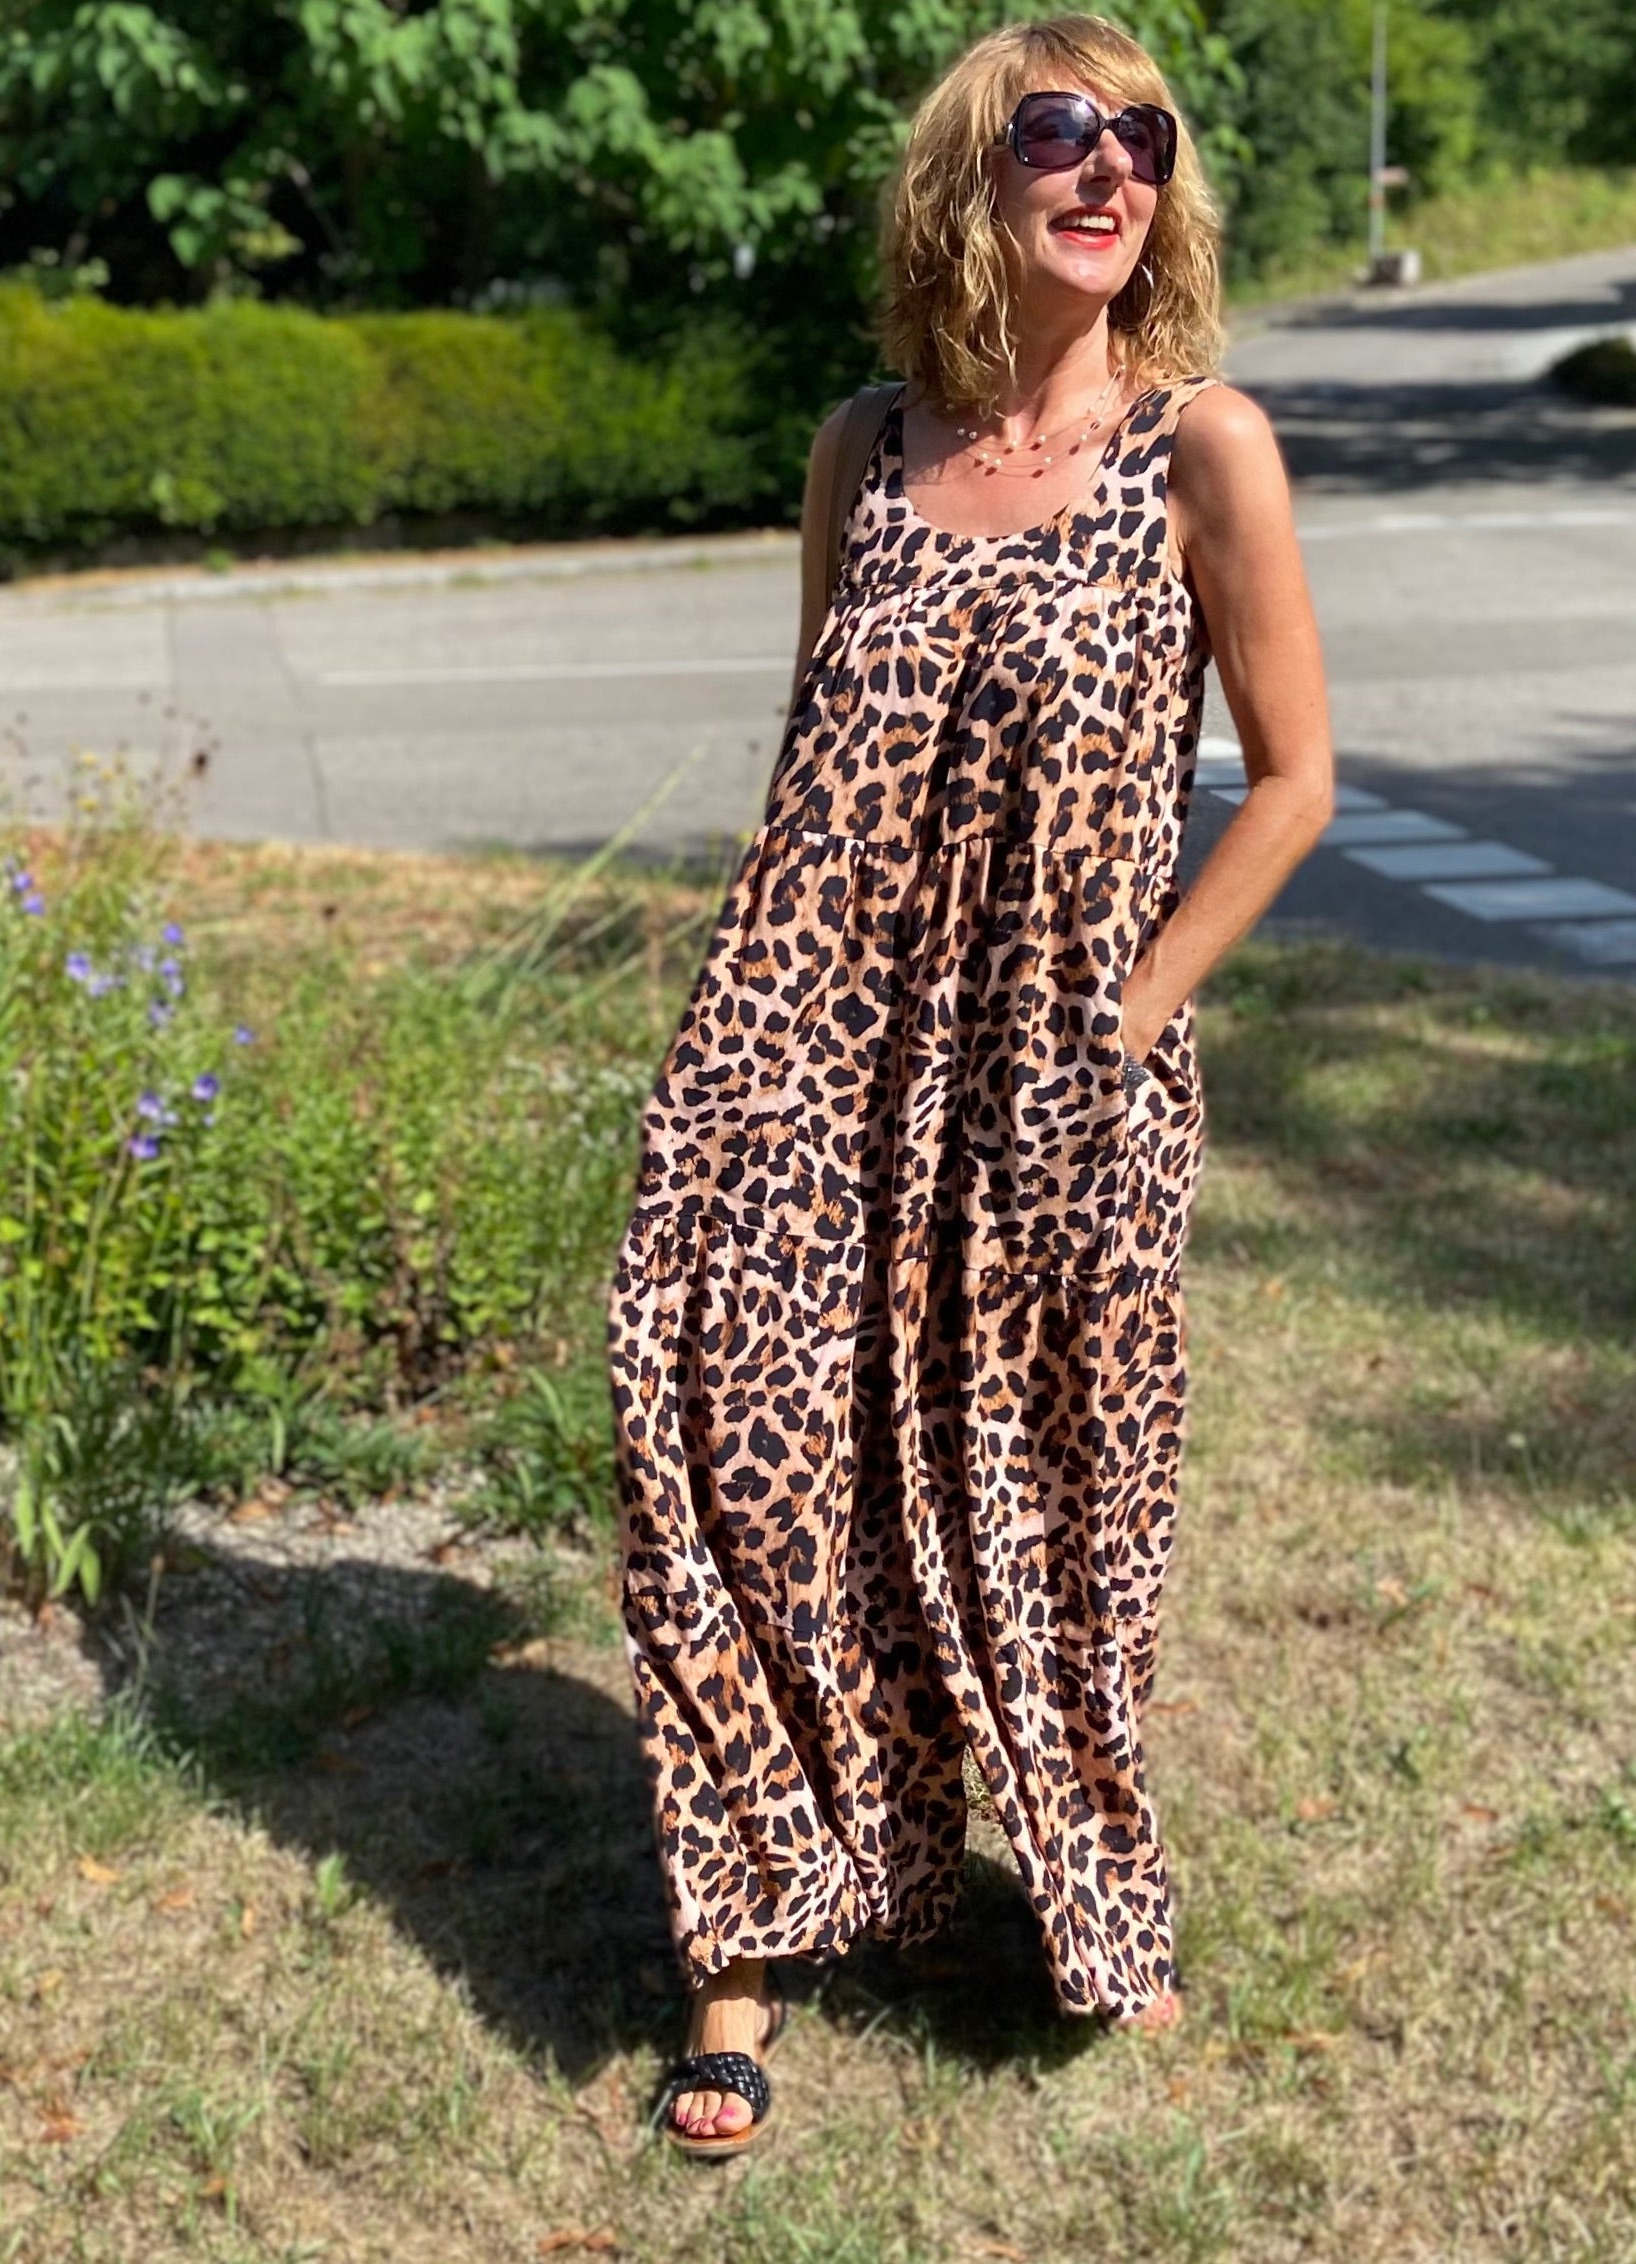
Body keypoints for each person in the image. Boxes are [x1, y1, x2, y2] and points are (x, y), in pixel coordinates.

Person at [609, 11, 1334, 2157]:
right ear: (966, 177)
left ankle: (1072, 1883)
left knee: (1052, 1499)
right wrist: (741, 1022)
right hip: (807, 1049)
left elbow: (1295, 784)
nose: (1108, 167)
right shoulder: (864, 446)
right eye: (1057, 130)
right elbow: (815, 752)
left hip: (1061, 1080)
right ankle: (742, 1952)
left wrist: (1127, 1018)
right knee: (742, 1457)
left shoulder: (1203, 450)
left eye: (1144, 137)